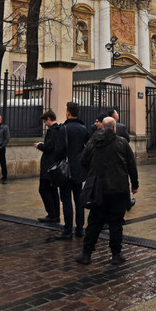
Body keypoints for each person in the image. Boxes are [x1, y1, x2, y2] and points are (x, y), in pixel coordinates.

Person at [75, 117, 138, 266]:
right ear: (114, 128)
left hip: (98, 189)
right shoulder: (122, 142)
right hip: (118, 189)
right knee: (116, 223)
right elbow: (131, 165)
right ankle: (116, 254)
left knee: (94, 221)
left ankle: (86, 253)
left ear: (102, 127)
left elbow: (83, 161)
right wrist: (135, 184)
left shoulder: (93, 142)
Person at [60, 102, 90, 240]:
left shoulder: (64, 128)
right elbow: (88, 147)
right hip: (79, 168)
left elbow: (59, 150)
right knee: (78, 199)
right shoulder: (83, 128)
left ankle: (67, 229)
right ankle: (80, 228)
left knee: (66, 199)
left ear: (68, 112)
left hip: (66, 169)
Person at [36, 110, 62, 225]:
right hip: (53, 164)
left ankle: (52, 214)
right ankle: (55, 215)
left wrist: (40, 145)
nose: (45, 123)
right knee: (53, 191)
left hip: (49, 165)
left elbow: (49, 147)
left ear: (49, 119)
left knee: (44, 189)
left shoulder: (53, 131)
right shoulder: (58, 130)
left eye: (45, 121)